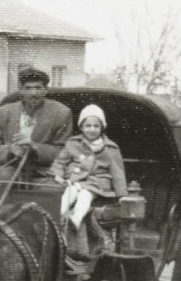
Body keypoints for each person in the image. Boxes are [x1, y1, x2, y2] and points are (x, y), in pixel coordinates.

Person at [50, 104, 128, 261]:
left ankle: (76, 218)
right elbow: (60, 162)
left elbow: (118, 172)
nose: (92, 129)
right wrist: (58, 175)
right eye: (88, 125)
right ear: (81, 127)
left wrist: (122, 195)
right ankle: (57, 218)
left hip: (97, 183)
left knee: (85, 195)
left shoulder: (110, 148)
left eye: (96, 126)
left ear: (101, 128)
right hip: (75, 180)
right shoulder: (73, 144)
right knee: (68, 193)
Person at [0, 68, 73, 186]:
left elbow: (65, 152)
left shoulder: (61, 112)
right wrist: (11, 151)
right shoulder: (2, 113)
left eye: (38, 88)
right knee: (2, 180)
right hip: (10, 171)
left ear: (45, 90)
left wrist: (34, 148)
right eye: (28, 88)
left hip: (44, 173)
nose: (33, 93)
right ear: (20, 90)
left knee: (53, 191)